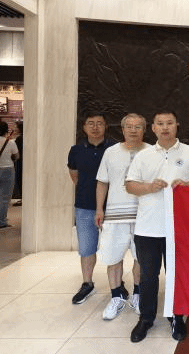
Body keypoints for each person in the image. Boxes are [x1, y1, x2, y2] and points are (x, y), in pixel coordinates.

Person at [126, 111, 189, 343]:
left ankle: (176, 316)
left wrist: (187, 185)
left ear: (176, 125)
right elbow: (130, 185)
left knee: (176, 274)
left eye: (169, 123)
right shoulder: (144, 155)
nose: (165, 127)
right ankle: (146, 318)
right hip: (148, 227)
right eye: (160, 123)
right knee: (148, 276)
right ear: (153, 128)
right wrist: (149, 187)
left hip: (179, 228)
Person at [95, 113, 150, 320]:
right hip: (115, 215)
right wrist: (99, 209)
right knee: (113, 257)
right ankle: (116, 297)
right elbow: (102, 182)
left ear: (144, 129)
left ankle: (138, 294)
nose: (133, 130)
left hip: (143, 215)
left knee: (141, 258)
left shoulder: (152, 152)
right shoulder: (110, 152)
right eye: (129, 126)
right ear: (122, 129)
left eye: (138, 127)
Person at [67, 112, 115, 304]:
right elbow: (74, 175)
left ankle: (117, 284)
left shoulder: (115, 148)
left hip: (112, 206)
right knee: (87, 247)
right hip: (85, 205)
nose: (95, 127)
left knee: (115, 246)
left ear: (106, 127)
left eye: (99, 123)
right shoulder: (76, 150)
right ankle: (87, 283)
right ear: (84, 127)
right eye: (91, 123)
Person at [13, 121, 23, 206]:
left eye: (16, 127)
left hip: (20, 161)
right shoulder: (26, 137)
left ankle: (22, 198)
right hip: (24, 161)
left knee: (20, 179)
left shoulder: (19, 138)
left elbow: (15, 152)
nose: (15, 129)